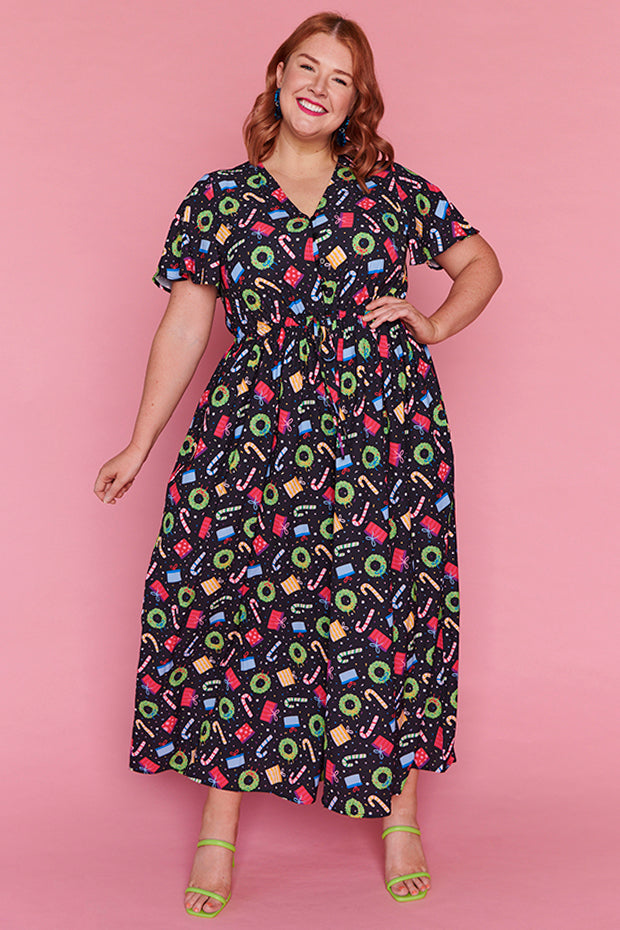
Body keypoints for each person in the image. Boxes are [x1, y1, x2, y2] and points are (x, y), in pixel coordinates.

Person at [94, 10, 502, 918]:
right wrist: (139, 441)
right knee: (234, 609)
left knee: (386, 612)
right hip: (254, 431)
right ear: (278, 75)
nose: (320, 86)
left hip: (382, 429)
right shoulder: (219, 197)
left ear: (358, 101)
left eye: (341, 78)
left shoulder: (390, 190)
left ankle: (400, 817)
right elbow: (187, 322)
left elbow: (480, 263)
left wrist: (434, 322)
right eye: (308, 67)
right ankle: (218, 829)